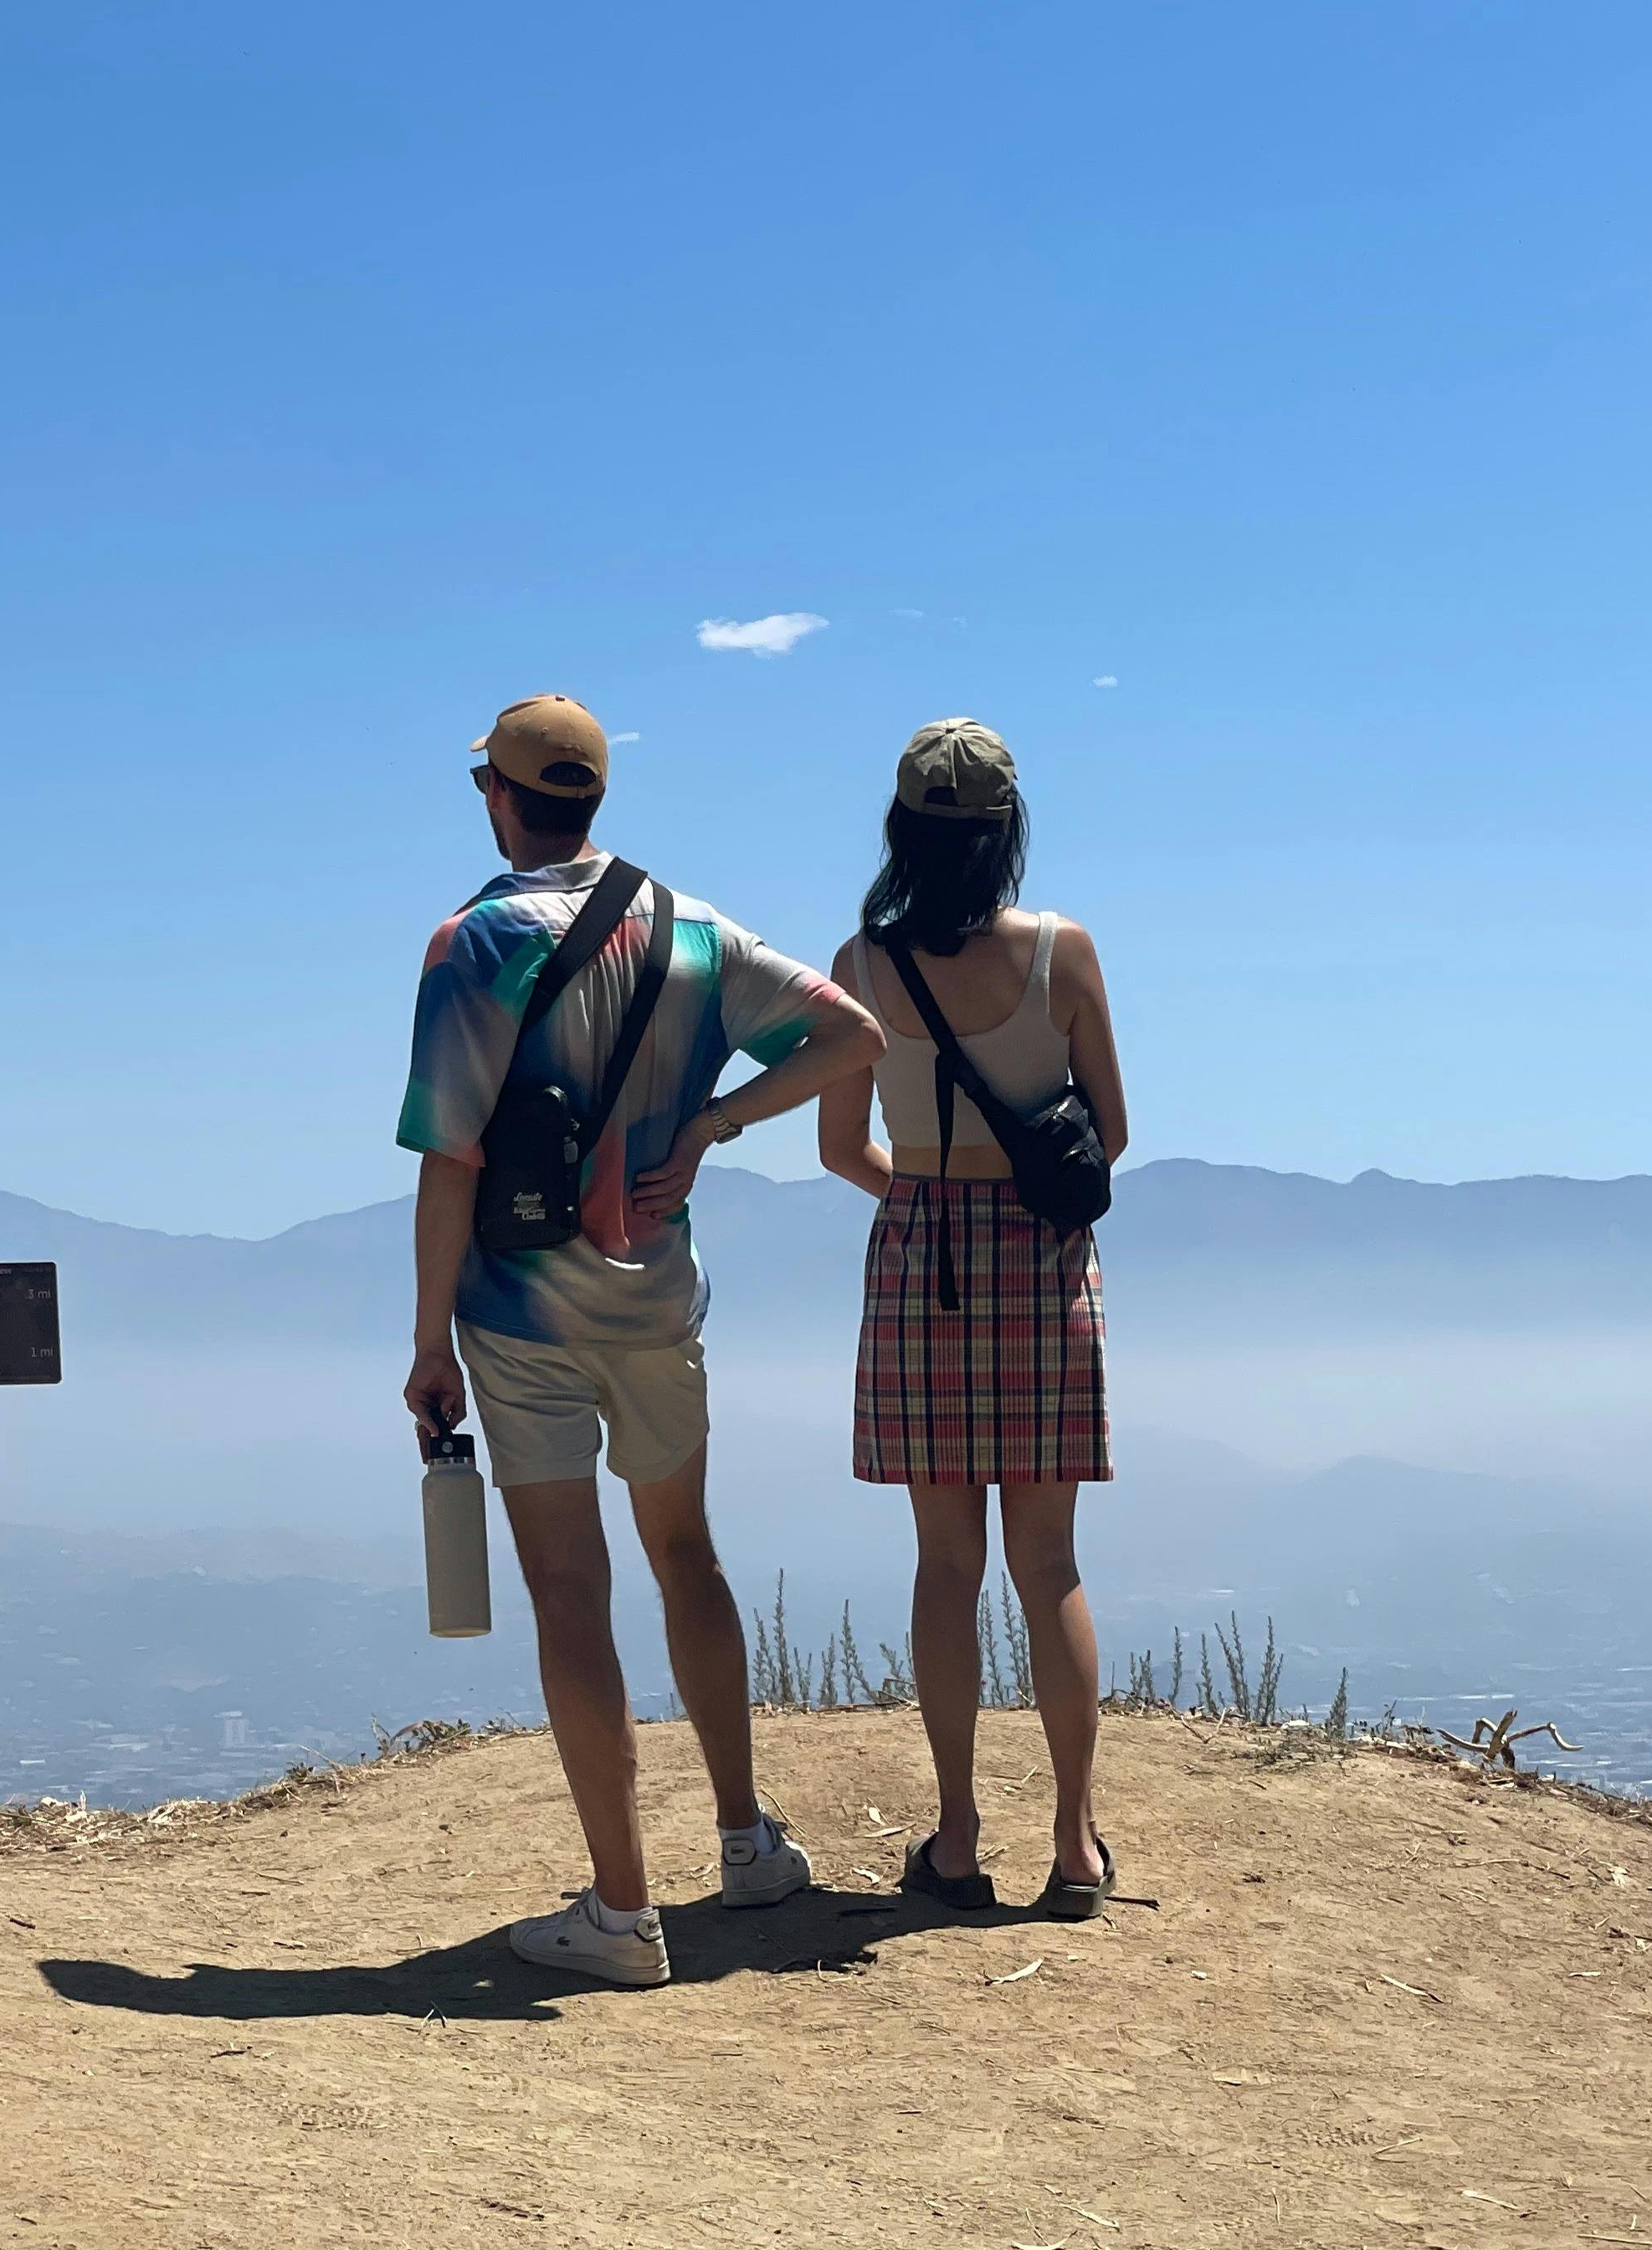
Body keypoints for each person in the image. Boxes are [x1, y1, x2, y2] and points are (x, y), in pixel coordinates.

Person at [399, 694, 888, 1985]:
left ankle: (622, 1917)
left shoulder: (475, 942)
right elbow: (854, 1034)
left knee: (572, 1594)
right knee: (690, 1558)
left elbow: (451, 1161)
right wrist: (709, 1126)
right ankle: (744, 1843)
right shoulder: (691, 929)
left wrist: (425, 1340)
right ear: (595, 800)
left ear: (496, 796)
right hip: (658, 1299)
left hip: (517, 1312)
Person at [815, 718, 1131, 1921]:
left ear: (903, 830)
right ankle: (1075, 1849)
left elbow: (844, 1148)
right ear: (1007, 833)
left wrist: (928, 1184)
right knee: (1048, 1565)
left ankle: (956, 1837)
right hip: (1046, 1265)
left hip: (922, 1258)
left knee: (946, 1567)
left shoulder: (865, 963)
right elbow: (1115, 1133)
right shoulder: (1067, 953)